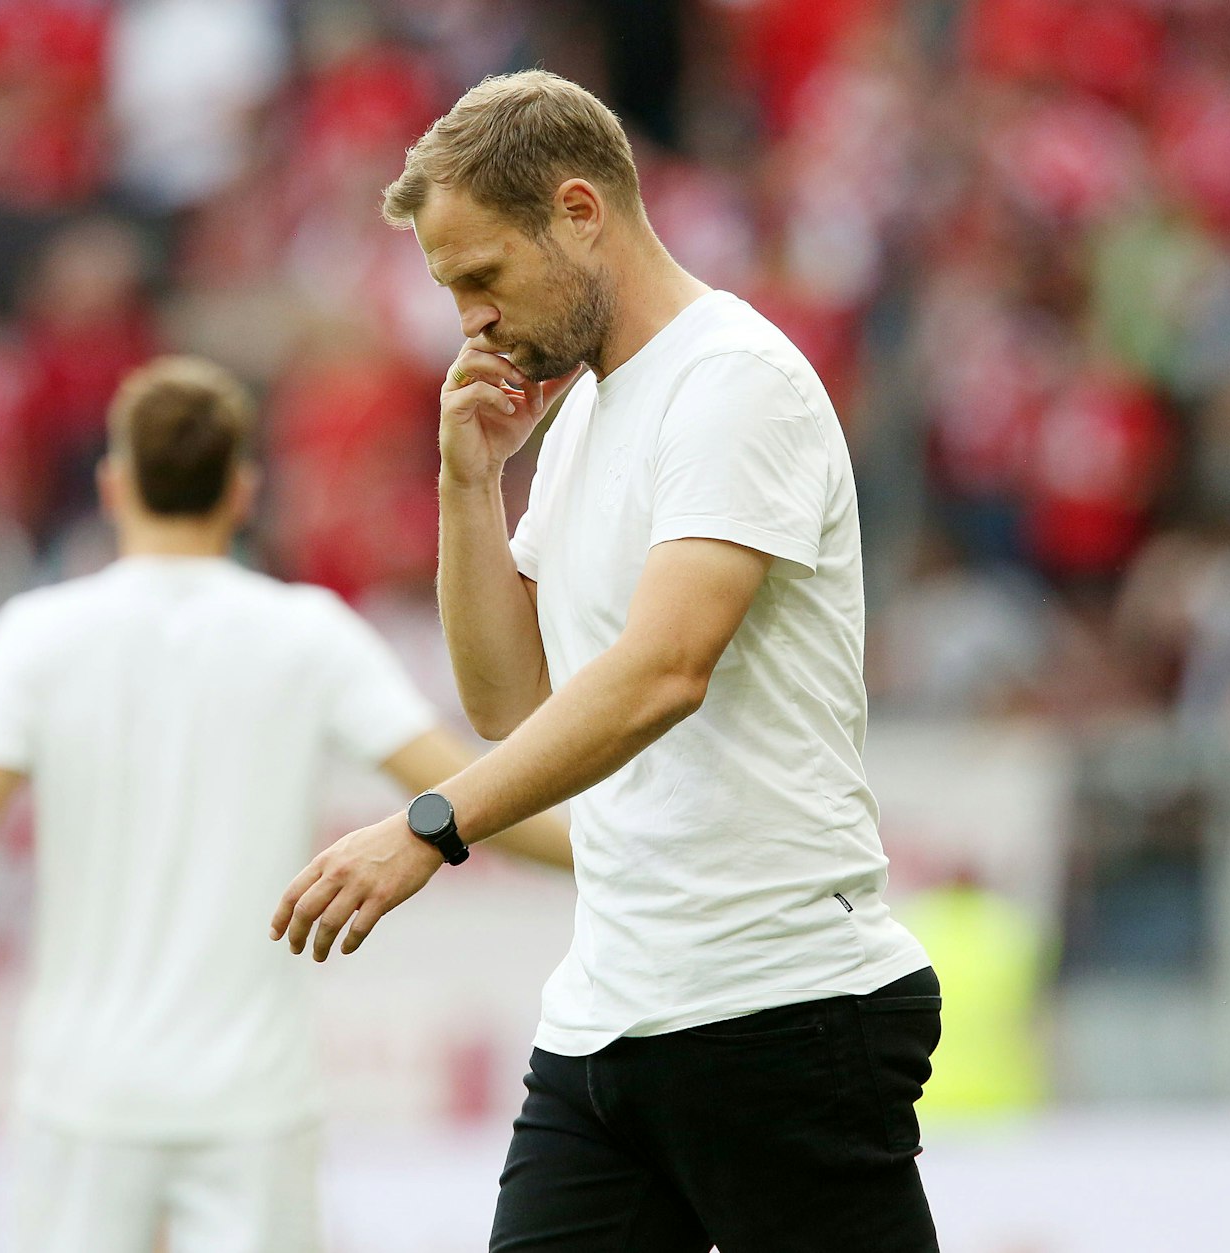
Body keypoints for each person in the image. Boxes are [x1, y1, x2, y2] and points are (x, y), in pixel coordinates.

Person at [271, 71, 941, 1252]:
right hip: (607, 1020)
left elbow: (663, 669)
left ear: (580, 212)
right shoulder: (582, 413)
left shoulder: (732, 381)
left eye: (480, 276)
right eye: (448, 290)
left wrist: (429, 826)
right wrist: (467, 481)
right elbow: (508, 699)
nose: (468, 318)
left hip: (778, 1003)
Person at [0, 355, 572, 1253]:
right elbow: (466, 794)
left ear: (115, 485)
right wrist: (615, 857)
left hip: (84, 1094)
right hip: (252, 1099)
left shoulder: (34, 636)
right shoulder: (306, 633)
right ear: (242, 489)